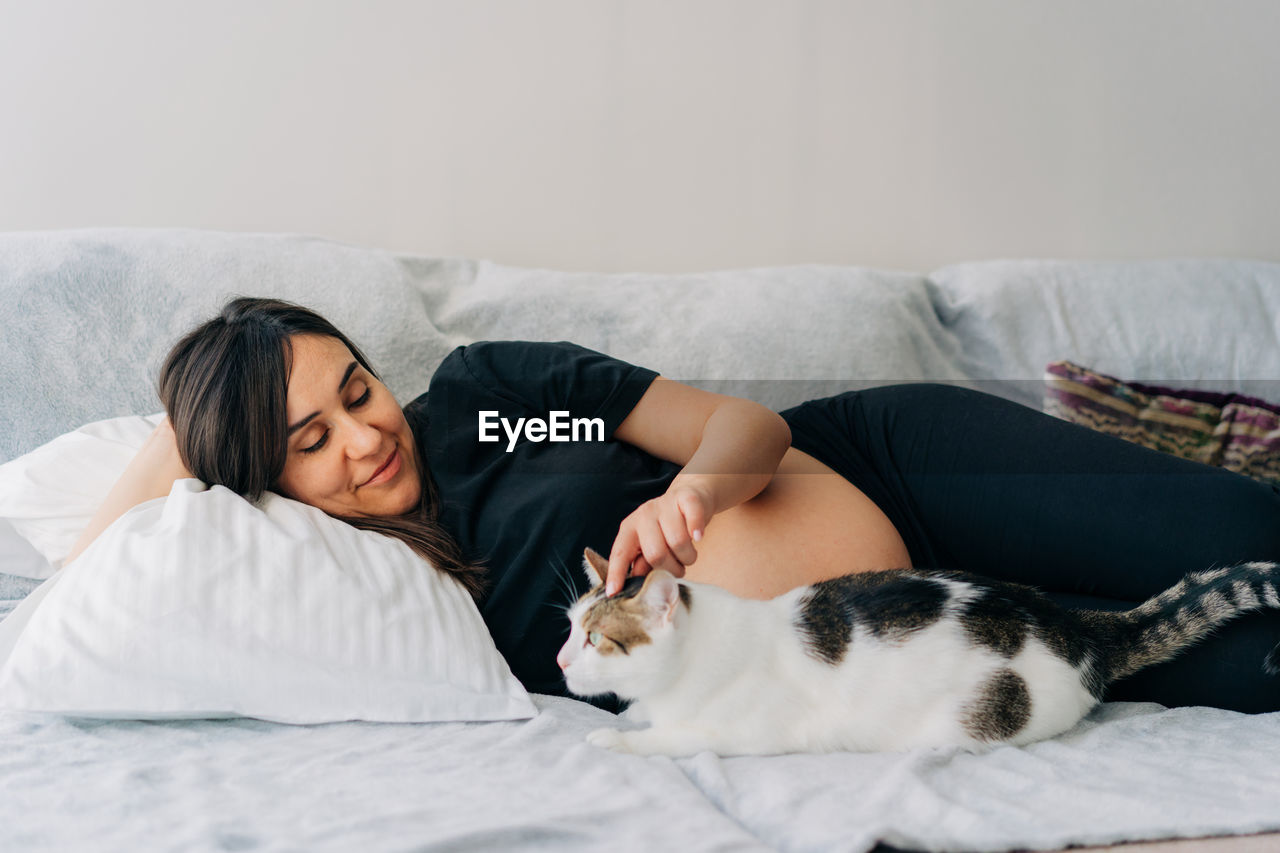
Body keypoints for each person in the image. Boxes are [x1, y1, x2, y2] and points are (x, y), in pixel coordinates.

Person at [68, 298, 1280, 714]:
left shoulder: (485, 406)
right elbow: (86, 600)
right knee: (1247, 660)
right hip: (895, 650)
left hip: (892, 468)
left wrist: (691, 494)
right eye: (309, 440)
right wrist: (196, 412)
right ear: (258, 478)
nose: (367, 434)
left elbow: (744, 426)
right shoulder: (349, 587)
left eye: (355, 386)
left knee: (1242, 537)